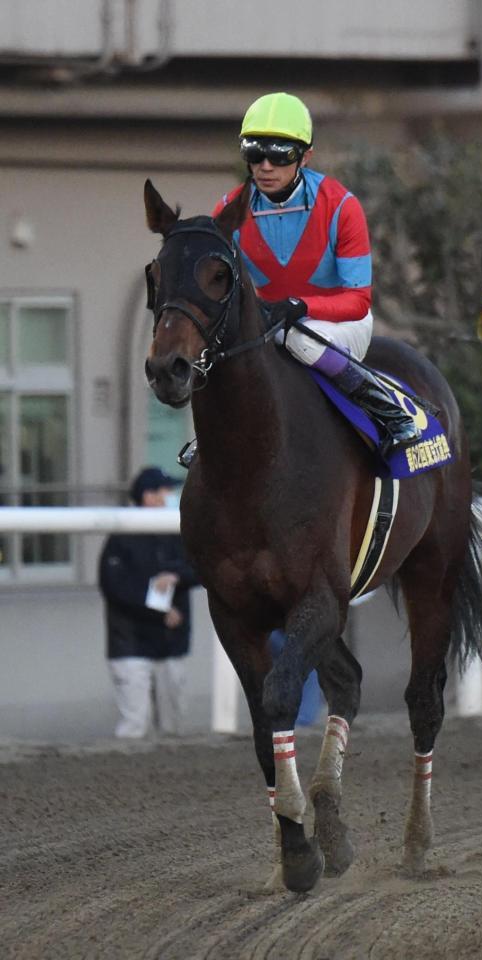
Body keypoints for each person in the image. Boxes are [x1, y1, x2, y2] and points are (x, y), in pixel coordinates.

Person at [211, 90, 421, 456]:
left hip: (340, 325)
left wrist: (300, 306)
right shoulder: (228, 211)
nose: (265, 166)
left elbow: (357, 301)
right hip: (269, 324)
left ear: (305, 157)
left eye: (280, 155)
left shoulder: (342, 206)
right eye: (254, 152)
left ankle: (386, 410)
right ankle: (210, 436)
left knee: (298, 338)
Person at [98, 466, 199, 738]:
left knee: (174, 728)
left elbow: (202, 568)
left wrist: (175, 575)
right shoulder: (121, 537)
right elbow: (116, 587)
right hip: (131, 643)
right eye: (164, 493)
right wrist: (159, 612)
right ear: (148, 496)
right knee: (134, 726)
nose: (167, 499)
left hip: (170, 644)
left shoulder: (175, 532)